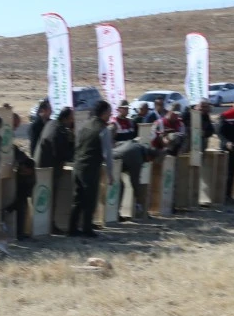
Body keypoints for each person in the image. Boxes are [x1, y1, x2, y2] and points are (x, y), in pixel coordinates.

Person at [69, 100, 114, 238]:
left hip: (77, 166)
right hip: (90, 168)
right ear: (104, 113)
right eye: (109, 112)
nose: (110, 115)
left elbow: (77, 145)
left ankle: (72, 229)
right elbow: (107, 154)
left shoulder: (84, 126)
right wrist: (110, 174)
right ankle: (87, 229)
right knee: (90, 199)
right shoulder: (103, 130)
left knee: (78, 199)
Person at [36, 106, 74, 232]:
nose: (72, 121)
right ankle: (49, 225)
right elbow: (60, 152)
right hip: (49, 169)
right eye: (71, 118)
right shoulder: (59, 130)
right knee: (49, 197)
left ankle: (45, 225)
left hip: (42, 166)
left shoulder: (51, 123)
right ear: (66, 118)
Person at [113, 140, 157, 220]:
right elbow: (134, 180)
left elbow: (118, 143)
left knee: (121, 184)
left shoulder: (137, 145)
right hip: (112, 163)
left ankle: (115, 214)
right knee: (120, 186)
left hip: (111, 158)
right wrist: (138, 198)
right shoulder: (138, 157)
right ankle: (114, 215)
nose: (147, 162)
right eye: (149, 160)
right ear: (149, 157)